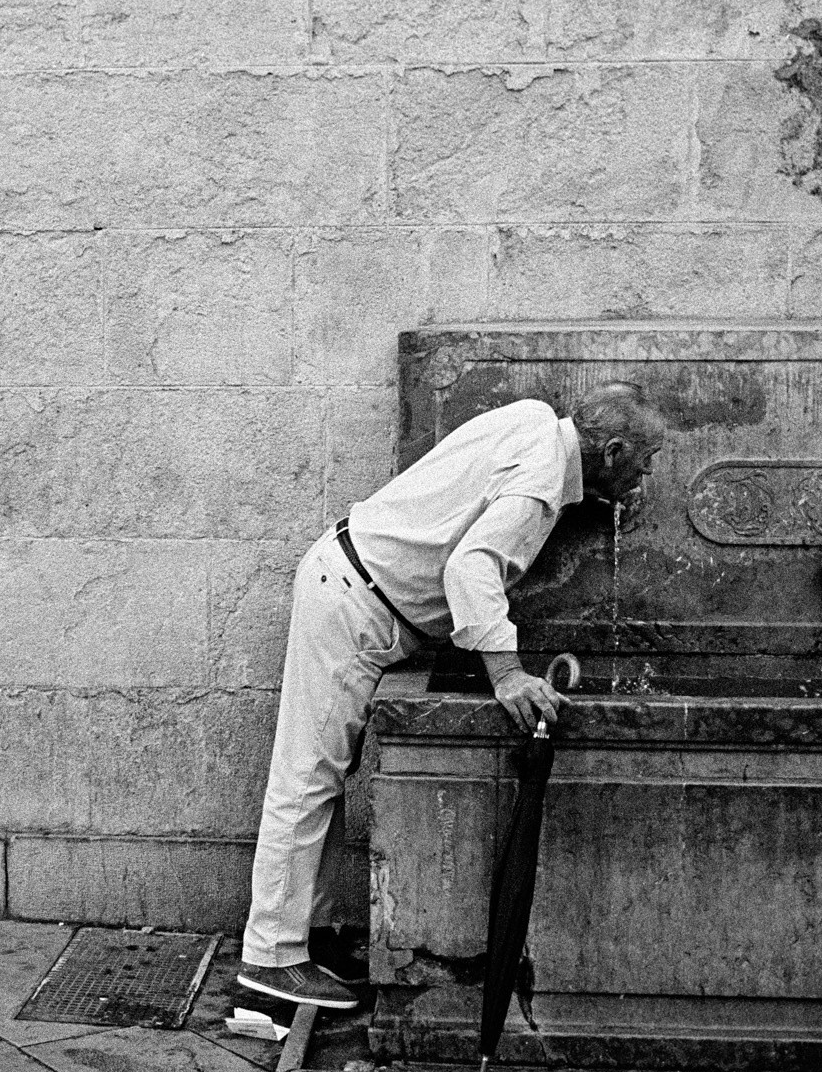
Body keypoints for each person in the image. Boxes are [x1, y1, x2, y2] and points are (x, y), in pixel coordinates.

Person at [236, 384, 667, 1009]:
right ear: (612, 452)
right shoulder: (544, 478)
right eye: (645, 459)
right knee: (306, 778)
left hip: (354, 590)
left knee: (322, 777)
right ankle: (268, 961)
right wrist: (508, 674)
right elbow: (471, 567)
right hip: (354, 604)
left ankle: (305, 938)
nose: (647, 474)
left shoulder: (536, 424)